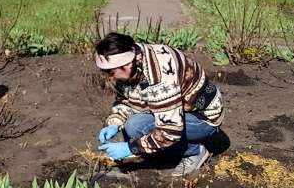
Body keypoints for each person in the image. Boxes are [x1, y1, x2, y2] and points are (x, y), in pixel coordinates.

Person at [94, 32, 224, 176]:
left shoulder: (159, 78)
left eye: (111, 72)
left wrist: (131, 148)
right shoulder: (132, 59)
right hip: (175, 109)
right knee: (133, 126)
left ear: (128, 64)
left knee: (137, 127)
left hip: (202, 118)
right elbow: (126, 100)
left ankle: (194, 151)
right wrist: (115, 122)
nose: (109, 77)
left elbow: (169, 131)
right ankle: (150, 146)